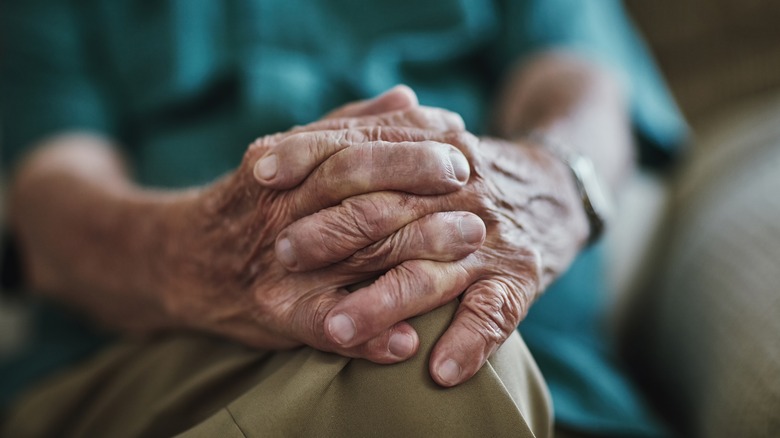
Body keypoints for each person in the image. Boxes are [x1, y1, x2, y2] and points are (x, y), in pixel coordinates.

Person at [0, 0, 686, 436]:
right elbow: (53, 209)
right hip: (157, 372)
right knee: (418, 337)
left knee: (427, 314)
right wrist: (214, 251)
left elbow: (582, 85)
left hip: (557, 383)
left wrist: (545, 185)